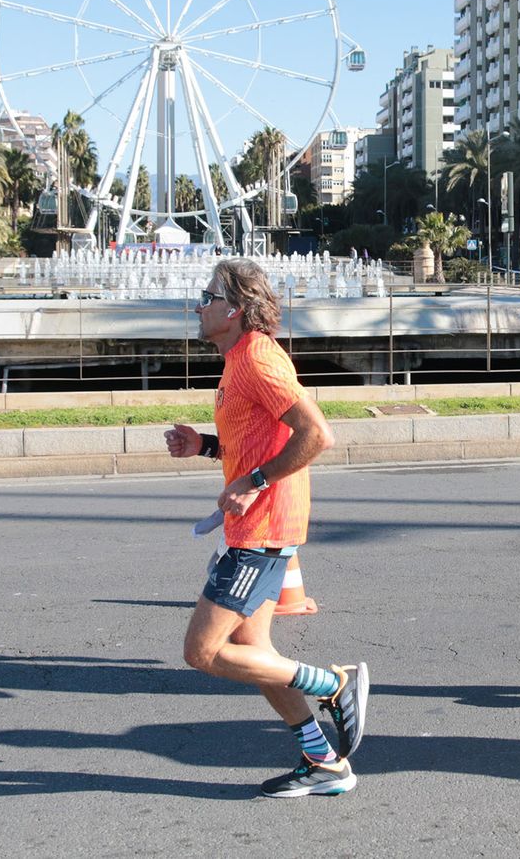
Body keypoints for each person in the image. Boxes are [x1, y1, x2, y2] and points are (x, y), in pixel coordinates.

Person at [165, 258, 369, 798]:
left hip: (262, 530)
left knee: (203, 652)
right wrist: (207, 446)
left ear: (233, 310)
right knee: (257, 655)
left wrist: (253, 481)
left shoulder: (257, 359)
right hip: (252, 527)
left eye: (208, 296)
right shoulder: (237, 361)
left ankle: (334, 683)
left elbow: (316, 435)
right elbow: (260, 439)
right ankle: (324, 763)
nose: (200, 305)